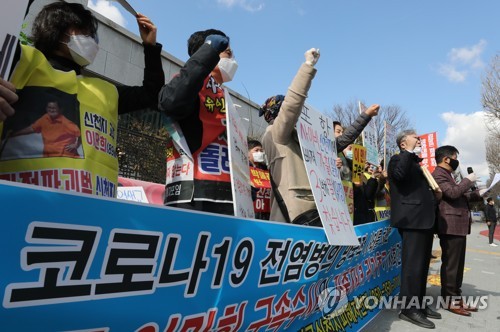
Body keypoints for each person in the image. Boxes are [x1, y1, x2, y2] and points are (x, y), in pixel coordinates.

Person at [0, 1, 164, 196]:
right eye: (85, 33)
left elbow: (152, 93)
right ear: (57, 30)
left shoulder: (106, 91)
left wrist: (150, 48)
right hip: (21, 207)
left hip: (91, 214)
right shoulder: (23, 61)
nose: (92, 42)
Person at [260, 48, 380, 225]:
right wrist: (307, 67)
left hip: (316, 210)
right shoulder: (276, 133)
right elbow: (292, 104)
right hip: (297, 214)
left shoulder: (302, 139)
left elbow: (340, 142)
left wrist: (365, 116)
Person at [158, 29, 236, 215]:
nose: (233, 59)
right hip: (192, 194)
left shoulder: (225, 96)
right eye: (228, 52)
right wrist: (208, 51)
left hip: (227, 195)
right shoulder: (186, 84)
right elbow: (170, 101)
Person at [388, 129, 442, 329]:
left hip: (424, 221)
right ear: (403, 143)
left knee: (421, 266)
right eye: (414, 137)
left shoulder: (416, 163)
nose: (418, 139)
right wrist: (408, 152)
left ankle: (419, 304)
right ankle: (409, 310)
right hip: (411, 220)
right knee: (412, 267)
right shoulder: (397, 160)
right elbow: (399, 176)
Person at [432, 145, 482, 316]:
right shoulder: (438, 174)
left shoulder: (448, 175)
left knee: (458, 265)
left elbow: (459, 194)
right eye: (454, 157)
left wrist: (478, 193)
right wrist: (467, 180)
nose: (456, 161)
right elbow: (453, 193)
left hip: (458, 225)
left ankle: (456, 297)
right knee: (451, 265)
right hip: (450, 224)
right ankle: (449, 300)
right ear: (446, 159)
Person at [12, 100, 81, 158]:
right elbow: (32, 128)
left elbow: (81, 134)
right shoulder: (45, 118)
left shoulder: (66, 123)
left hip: (65, 157)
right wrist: (14, 134)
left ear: (61, 110)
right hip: (48, 156)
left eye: (54, 108)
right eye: (49, 107)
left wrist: (76, 145)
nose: (51, 110)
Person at [248, 139, 271, 220]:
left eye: (261, 151)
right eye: (256, 150)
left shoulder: (266, 170)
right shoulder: (245, 167)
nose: (260, 153)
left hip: (266, 212)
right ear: (248, 153)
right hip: (251, 211)